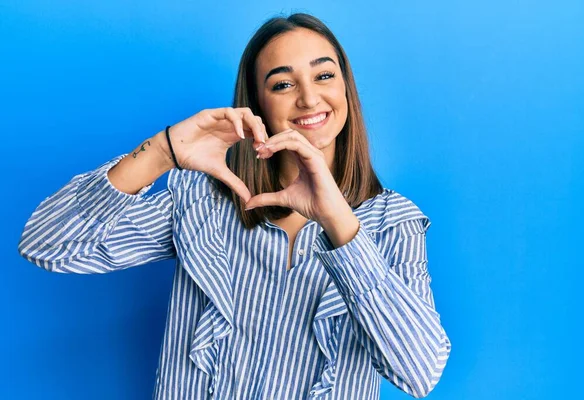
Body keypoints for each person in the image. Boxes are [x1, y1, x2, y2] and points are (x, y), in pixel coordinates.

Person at [18, 12, 451, 400]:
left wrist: (338, 219)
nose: (308, 99)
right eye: (282, 84)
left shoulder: (393, 223)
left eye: (323, 76)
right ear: (257, 104)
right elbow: (47, 245)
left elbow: (419, 372)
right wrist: (162, 153)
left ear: (345, 88)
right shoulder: (202, 200)